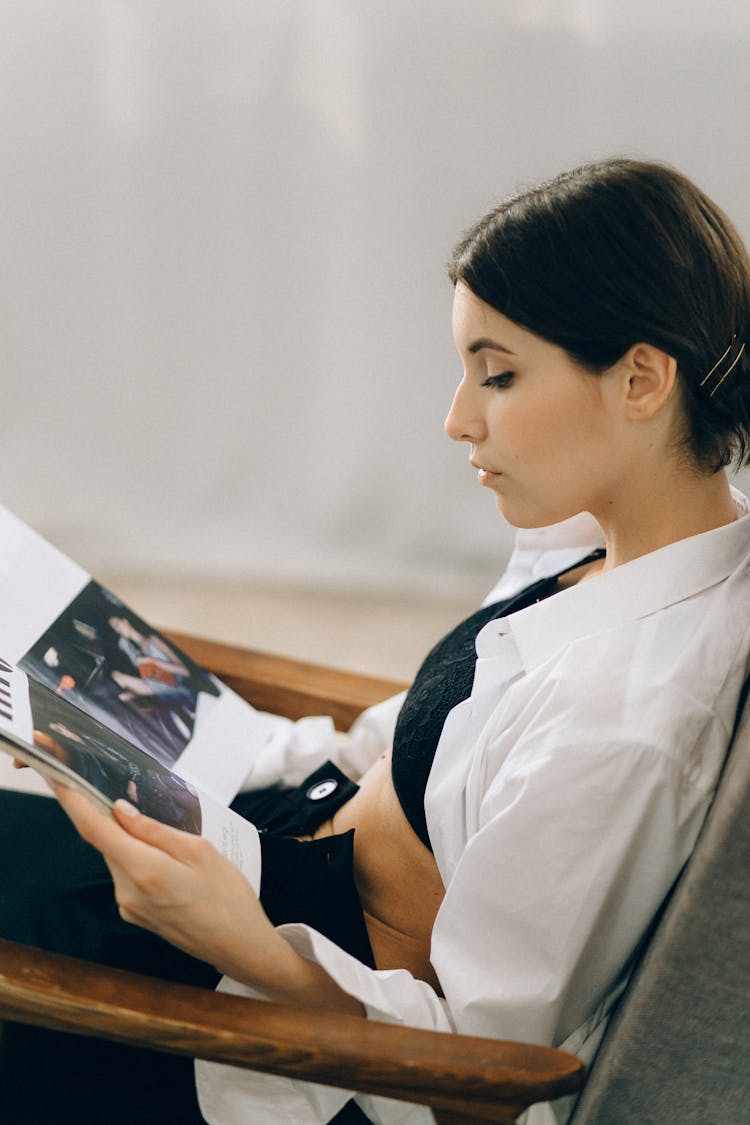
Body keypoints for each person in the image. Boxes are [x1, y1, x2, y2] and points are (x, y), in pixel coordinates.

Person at [2, 156, 750, 1125]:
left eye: (499, 374)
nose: (456, 419)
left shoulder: (626, 724)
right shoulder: (600, 546)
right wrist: (204, 740)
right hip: (262, 852)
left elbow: (480, 1075)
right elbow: (424, 742)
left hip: (267, 1014)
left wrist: (241, 943)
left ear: (642, 380)